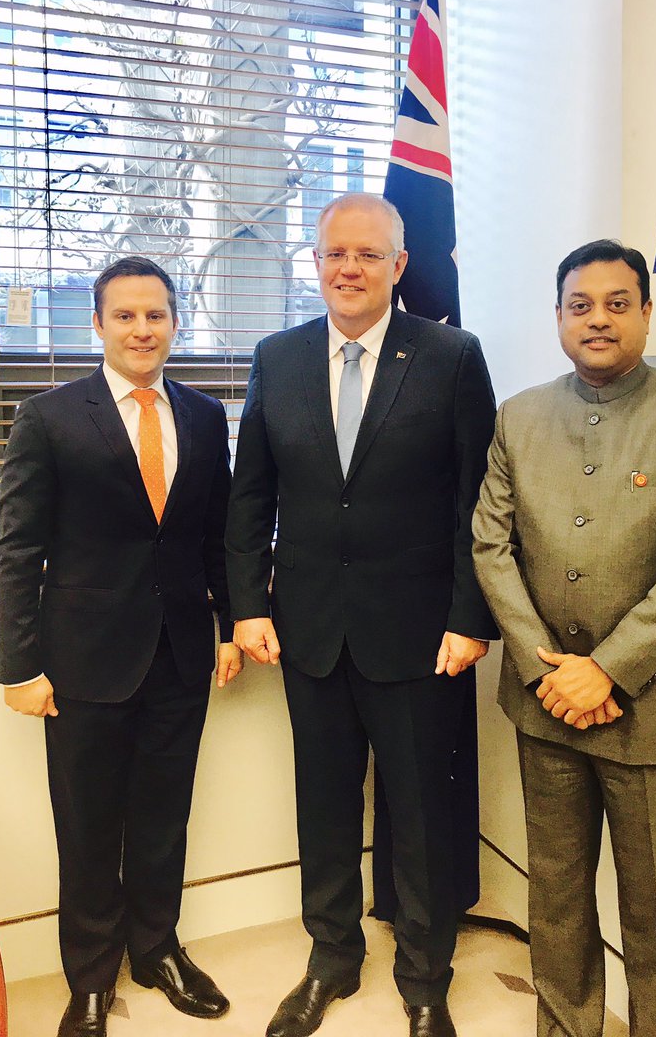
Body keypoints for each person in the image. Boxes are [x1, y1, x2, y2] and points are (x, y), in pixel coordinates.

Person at [225, 193, 497, 1037]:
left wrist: (471, 617)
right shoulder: (278, 357)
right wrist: (246, 607)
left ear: (399, 266)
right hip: (309, 629)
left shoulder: (451, 356)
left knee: (419, 815)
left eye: (368, 254)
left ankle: (424, 979)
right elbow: (251, 496)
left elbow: (479, 502)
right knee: (325, 808)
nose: (350, 268)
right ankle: (331, 959)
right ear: (315, 262)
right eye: (336, 253)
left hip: (421, 633)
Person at [472, 239, 656, 1037]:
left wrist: (609, 670)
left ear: (647, 313)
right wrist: (547, 671)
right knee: (556, 901)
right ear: (558, 316)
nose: (598, 319)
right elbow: (490, 545)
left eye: (617, 303)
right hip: (544, 706)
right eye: (580, 305)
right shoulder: (519, 416)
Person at [0, 256, 241, 1037]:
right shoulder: (48, 417)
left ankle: (157, 950)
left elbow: (215, 536)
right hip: (82, 661)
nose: (142, 330)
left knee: (165, 818)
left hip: (180, 654)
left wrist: (231, 625)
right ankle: (92, 977)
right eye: (126, 316)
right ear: (97, 324)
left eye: (155, 315)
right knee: (89, 825)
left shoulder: (204, 416)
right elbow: (17, 548)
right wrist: (19, 665)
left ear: (175, 323)